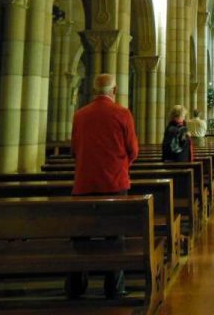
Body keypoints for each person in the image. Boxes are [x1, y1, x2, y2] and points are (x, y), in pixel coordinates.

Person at [67, 73, 139, 299]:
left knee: (81, 235)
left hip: (84, 183)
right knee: (115, 236)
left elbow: (74, 149)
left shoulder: (79, 115)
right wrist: (120, 164)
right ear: (114, 90)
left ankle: (76, 287)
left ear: (93, 90)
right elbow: (133, 150)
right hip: (114, 182)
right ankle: (114, 287)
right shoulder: (122, 114)